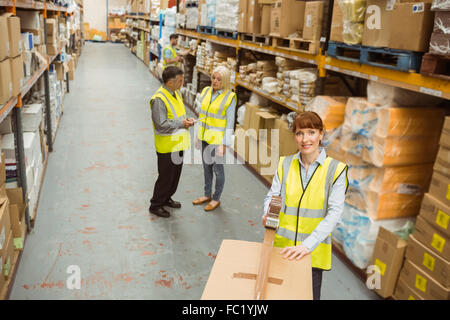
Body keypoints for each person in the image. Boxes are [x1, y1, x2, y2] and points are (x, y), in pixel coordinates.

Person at [262, 111, 348, 300]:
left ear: (321, 134)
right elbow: (273, 195)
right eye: (299, 133)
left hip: (311, 255)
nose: (305, 139)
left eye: (311, 132)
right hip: (282, 249)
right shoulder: (285, 164)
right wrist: (268, 211)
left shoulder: (336, 171)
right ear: (294, 136)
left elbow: (334, 213)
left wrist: (307, 246)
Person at [149, 66, 195, 218]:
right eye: (180, 81)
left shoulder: (176, 93)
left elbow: (178, 114)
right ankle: (156, 204)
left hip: (178, 143)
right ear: (170, 82)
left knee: (175, 176)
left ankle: (166, 197)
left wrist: (186, 120)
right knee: (165, 177)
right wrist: (182, 124)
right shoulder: (159, 99)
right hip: (167, 146)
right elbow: (161, 125)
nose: (182, 83)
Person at [192, 66, 237, 212]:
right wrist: (197, 136)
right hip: (204, 137)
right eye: (213, 78)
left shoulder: (230, 97)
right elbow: (202, 116)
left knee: (218, 170)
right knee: (206, 168)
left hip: (217, 141)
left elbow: (230, 123)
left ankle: (216, 198)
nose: (215, 81)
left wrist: (224, 144)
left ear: (224, 81)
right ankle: (207, 194)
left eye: (219, 79)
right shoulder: (205, 91)